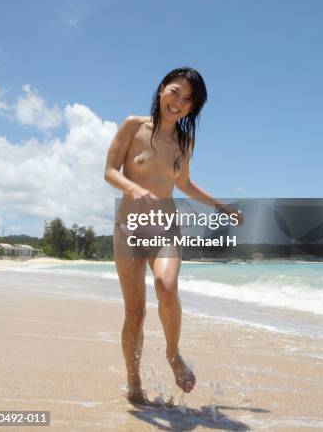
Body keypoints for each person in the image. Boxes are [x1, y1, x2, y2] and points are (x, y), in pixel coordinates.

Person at [104, 66, 243, 404]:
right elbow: (109, 171)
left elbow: (184, 184)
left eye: (187, 100)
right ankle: (133, 380)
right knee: (135, 314)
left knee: (166, 286)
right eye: (175, 92)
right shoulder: (133, 126)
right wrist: (134, 188)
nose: (178, 102)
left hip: (165, 229)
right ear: (162, 88)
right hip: (129, 232)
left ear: (193, 108)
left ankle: (173, 353)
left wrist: (221, 207)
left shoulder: (185, 141)